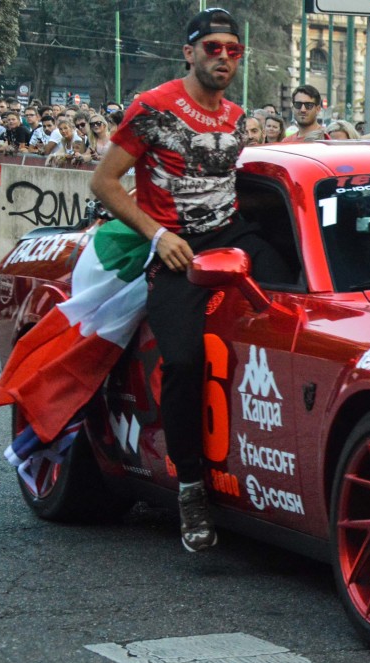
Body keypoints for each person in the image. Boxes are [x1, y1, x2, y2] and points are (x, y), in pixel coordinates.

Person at [90, 7, 290, 553]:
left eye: (233, 50)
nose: (223, 57)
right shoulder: (152, 108)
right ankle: (191, 490)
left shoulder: (237, 115)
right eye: (212, 48)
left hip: (231, 233)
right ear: (189, 53)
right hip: (173, 249)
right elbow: (103, 183)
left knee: (297, 305)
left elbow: (225, 182)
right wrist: (157, 237)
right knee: (181, 362)